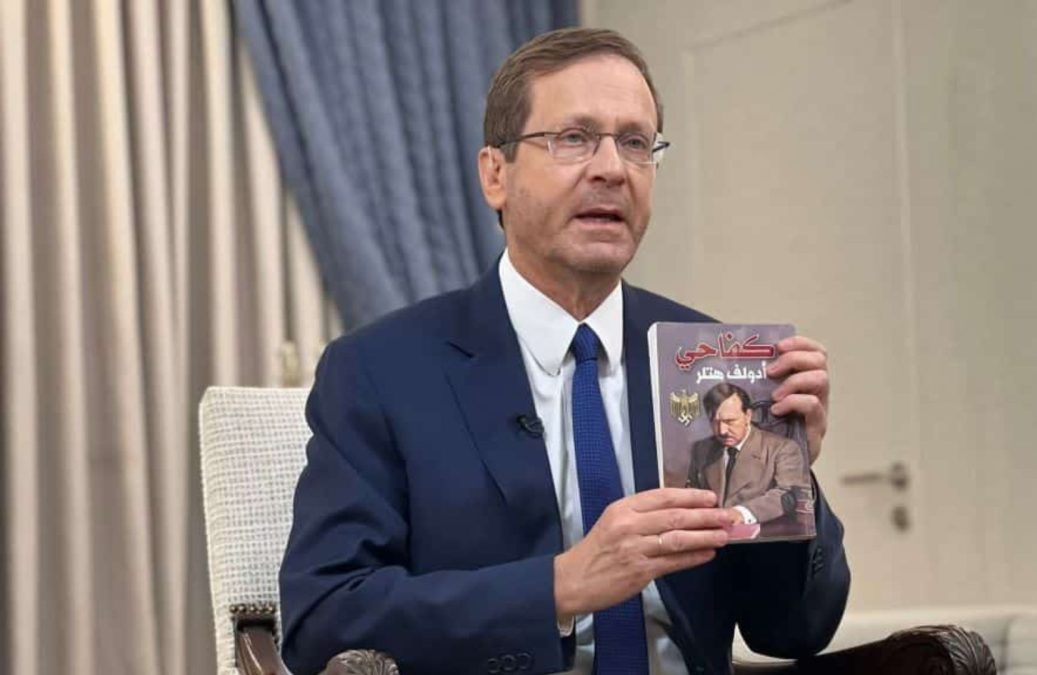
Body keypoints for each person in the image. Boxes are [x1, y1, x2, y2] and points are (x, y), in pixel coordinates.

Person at [279, 27, 849, 675]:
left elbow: (795, 629)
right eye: (573, 138)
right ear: (495, 174)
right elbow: (323, 616)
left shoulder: (705, 360)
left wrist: (787, 475)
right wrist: (559, 586)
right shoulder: (381, 370)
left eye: (635, 142)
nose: (611, 168)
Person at [687, 383, 809, 526]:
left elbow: (788, 494)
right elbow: (691, 490)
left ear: (748, 416)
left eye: (729, 421)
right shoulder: (701, 449)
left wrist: (741, 513)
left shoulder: (783, 448)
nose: (722, 430)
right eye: (715, 422)